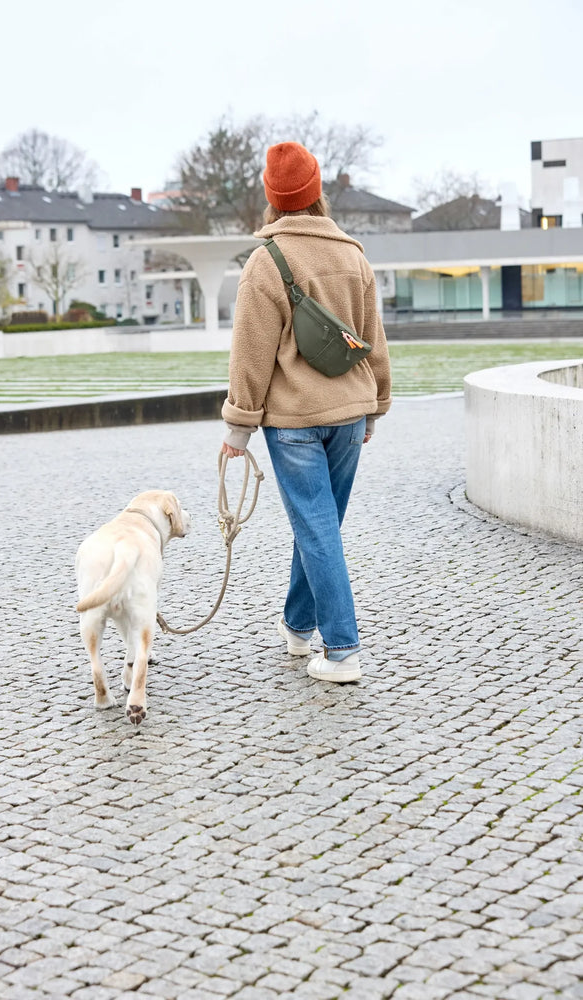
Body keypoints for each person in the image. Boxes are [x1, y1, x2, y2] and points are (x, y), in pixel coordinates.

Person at [221, 141, 391, 683]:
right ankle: (297, 627)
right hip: (347, 415)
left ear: (273, 199)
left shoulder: (265, 261)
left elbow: (251, 351)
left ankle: (342, 649)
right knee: (320, 524)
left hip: (293, 421)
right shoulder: (352, 255)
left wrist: (237, 428)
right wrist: (375, 406)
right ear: (317, 192)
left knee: (316, 527)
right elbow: (373, 339)